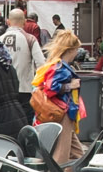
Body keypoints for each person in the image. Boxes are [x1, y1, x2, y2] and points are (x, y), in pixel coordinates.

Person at [32, 29, 86, 162]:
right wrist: (70, 86)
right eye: (76, 50)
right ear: (70, 50)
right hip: (63, 112)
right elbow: (51, 88)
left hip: (61, 110)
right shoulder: (61, 68)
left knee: (76, 153)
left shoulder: (55, 65)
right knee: (62, 154)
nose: (76, 53)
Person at [0, 8, 47, 104]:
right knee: (25, 118)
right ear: (25, 22)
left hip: (3, 90)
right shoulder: (30, 39)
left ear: (8, 22)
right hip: (24, 89)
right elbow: (41, 64)